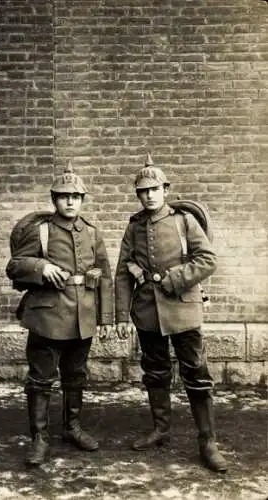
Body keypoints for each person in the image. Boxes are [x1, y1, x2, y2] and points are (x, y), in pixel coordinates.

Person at [115, 153, 227, 473]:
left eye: (154, 189)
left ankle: (207, 440)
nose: (149, 195)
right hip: (148, 311)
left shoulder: (184, 221)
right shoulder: (134, 226)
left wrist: (172, 279)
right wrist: (122, 316)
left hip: (183, 309)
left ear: (166, 190)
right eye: (143, 190)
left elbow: (207, 260)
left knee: (196, 373)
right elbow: (123, 272)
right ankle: (161, 429)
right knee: (155, 371)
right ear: (138, 194)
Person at [6, 162, 113, 466]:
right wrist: (42, 267)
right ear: (54, 199)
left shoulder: (92, 233)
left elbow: (104, 275)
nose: (70, 201)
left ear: (82, 200)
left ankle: (72, 428)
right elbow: (14, 266)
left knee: (75, 376)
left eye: (76, 196)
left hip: (83, 317)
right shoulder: (40, 231)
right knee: (41, 379)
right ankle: (39, 438)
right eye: (64, 196)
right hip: (47, 317)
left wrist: (105, 319)